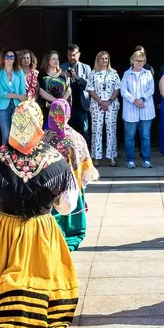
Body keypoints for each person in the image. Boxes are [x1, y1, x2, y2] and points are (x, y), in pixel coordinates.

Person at [0, 100, 80, 328]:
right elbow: (68, 206)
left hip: (3, 230)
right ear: (38, 125)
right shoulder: (56, 159)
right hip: (41, 231)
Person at [44, 99, 99, 250]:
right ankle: (71, 231)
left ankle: (52, 231)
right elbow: (84, 167)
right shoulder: (76, 137)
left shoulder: (43, 138)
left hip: (49, 187)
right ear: (68, 114)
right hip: (71, 186)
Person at [120, 49, 156, 169]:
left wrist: (142, 99)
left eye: (142, 61)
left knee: (145, 136)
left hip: (146, 109)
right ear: (132, 61)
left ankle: (146, 160)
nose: (140, 63)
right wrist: (134, 100)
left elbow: (151, 89)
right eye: (137, 60)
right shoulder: (126, 74)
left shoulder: (148, 73)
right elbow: (123, 91)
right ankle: (130, 160)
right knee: (130, 137)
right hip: (131, 110)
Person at [88, 51, 121, 167]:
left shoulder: (114, 73)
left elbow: (117, 89)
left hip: (111, 105)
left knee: (111, 130)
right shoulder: (92, 74)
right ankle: (96, 157)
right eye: (102, 58)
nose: (104, 61)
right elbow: (90, 90)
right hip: (97, 105)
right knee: (96, 130)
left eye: (106, 58)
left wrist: (109, 101)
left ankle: (111, 156)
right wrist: (101, 102)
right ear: (97, 60)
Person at [0, 49, 26, 143]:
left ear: (15, 59)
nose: (9, 59)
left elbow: (22, 90)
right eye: (7, 57)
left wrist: (21, 98)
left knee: (16, 135)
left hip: (17, 107)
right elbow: (0, 92)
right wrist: (17, 96)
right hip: (3, 108)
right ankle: (5, 157)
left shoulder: (19, 72)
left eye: (11, 57)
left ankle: (15, 157)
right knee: (6, 134)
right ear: (3, 59)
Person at [61, 44, 92, 140]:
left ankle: (85, 153)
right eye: (69, 55)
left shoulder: (86, 68)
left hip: (81, 104)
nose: (72, 57)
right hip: (67, 104)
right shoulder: (62, 67)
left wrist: (77, 78)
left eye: (74, 55)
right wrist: (64, 76)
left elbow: (89, 85)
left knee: (84, 131)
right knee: (67, 132)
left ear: (79, 54)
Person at [39, 50, 70, 120]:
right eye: (53, 59)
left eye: (57, 59)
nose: (56, 61)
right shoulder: (42, 75)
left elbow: (68, 90)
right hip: (48, 109)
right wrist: (56, 101)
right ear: (47, 61)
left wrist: (62, 102)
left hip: (62, 108)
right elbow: (41, 92)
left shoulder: (63, 74)